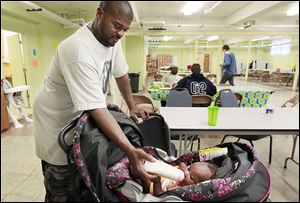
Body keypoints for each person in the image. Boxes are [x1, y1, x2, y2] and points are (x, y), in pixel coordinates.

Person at [33, 1, 157, 201]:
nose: (121, 33)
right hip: (57, 122)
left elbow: (121, 73)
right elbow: (96, 108)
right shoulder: (77, 49)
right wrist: (131, 151)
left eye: (125, 29)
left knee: (84, 184)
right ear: (99, 14)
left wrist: (132, 106)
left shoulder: (111, 39)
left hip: (81, 121)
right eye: (117, 26)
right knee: (62, 185)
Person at [141, 161, 217, 196]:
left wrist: (157, 182)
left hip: (152, 187)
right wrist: (183, 166)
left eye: (191, 177)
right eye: (189, 168)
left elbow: (160, 196)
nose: (186, 172)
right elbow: (181, 163)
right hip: (158, 173)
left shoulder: (180, 191)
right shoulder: (182, 171)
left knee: (141, 174)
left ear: (196, 187)